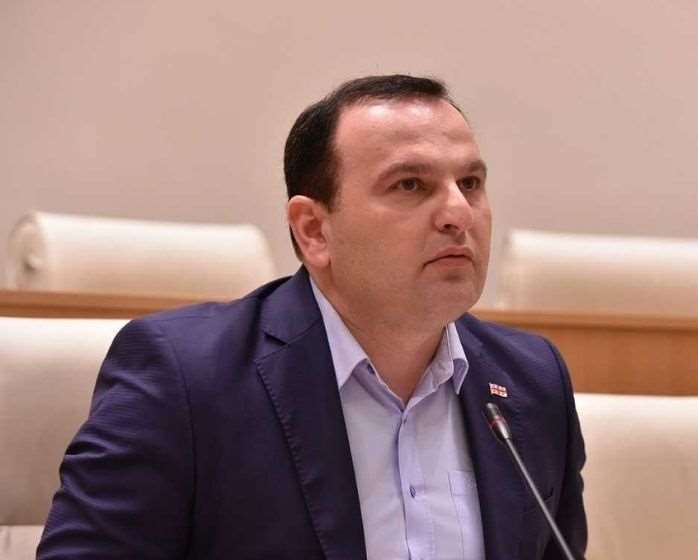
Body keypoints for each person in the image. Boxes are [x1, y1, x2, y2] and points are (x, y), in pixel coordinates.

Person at [37, 75, 587, 559]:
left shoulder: (530, 378)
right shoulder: (185, 378)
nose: (459, 214)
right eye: (410, 185)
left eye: (470, 183)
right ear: (314, 231)